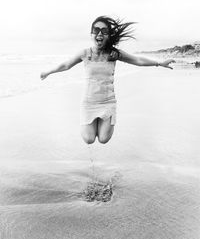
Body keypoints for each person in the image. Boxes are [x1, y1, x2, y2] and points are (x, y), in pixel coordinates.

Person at [41, 16, 175, 145]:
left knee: (103, 139)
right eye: (96, 30)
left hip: (108, 102)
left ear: (109, 35)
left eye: (104, 31)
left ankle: (102, 123)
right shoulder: (85, 53)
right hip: (89, 103)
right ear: (91, 34)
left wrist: (160, 63)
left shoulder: (113, 53)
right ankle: (95, 125)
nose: (99, 33)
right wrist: (48, 71)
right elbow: (66, 65)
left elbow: (137, 60)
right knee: (89, 139)